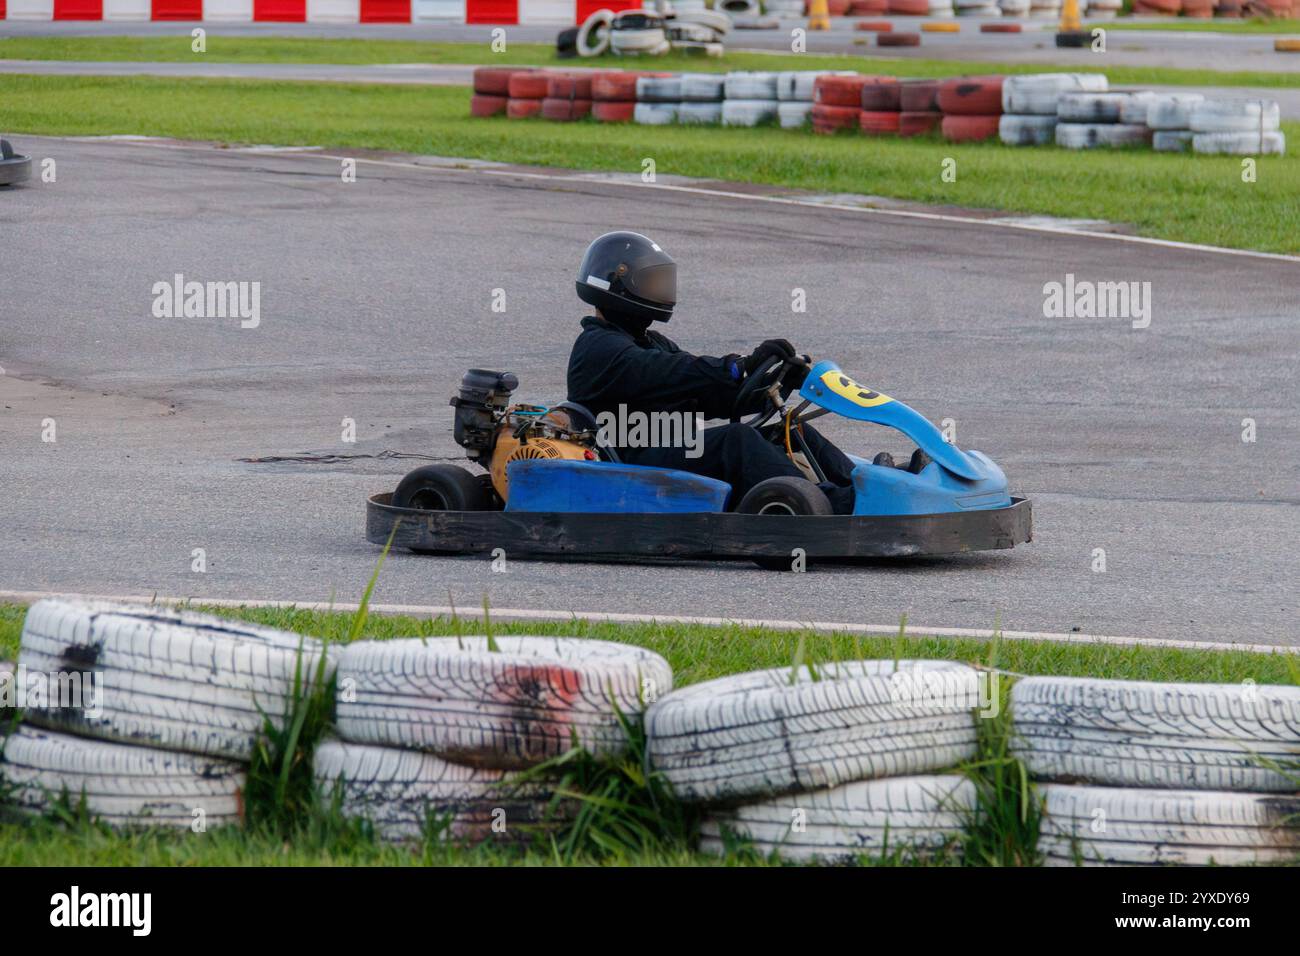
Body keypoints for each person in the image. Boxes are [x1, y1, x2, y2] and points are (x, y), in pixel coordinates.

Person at [565, 231, 866, 514]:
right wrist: (739, 365)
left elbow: (710, 396)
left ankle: (865, 487)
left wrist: (775, 381)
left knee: (791, 430)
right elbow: (678, 373)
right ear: (616, 285)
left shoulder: (651, 342)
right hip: (631, 463)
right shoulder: (598, 348)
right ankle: (830, 504)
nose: (659, 291)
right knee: (737, 440)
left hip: (671, 451)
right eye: (649, 282)